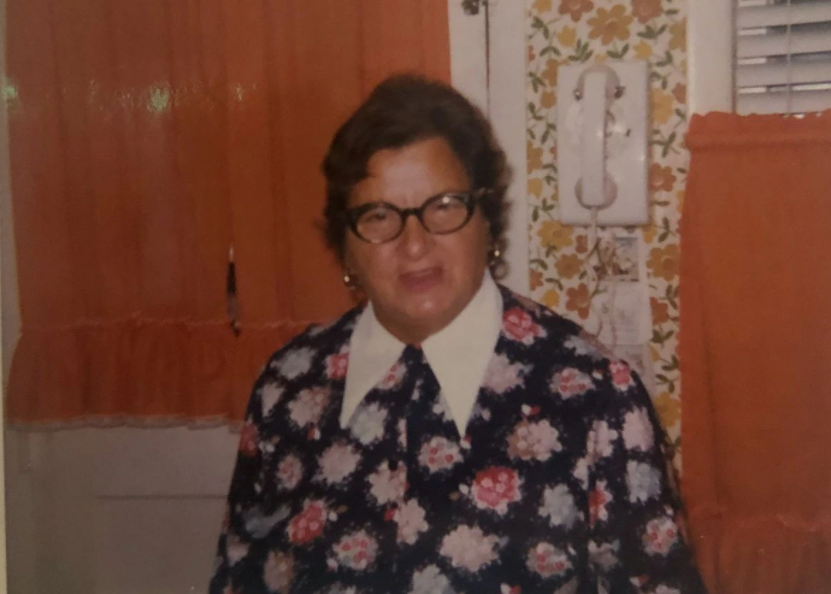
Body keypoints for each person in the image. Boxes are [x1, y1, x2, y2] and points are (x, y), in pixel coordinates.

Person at [209, 74, 705, 594]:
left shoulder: (597, 397)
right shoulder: (288, 386)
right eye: (378, 216)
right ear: (346, 248)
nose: (414, 243)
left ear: (487, 222)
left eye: (444, 205)